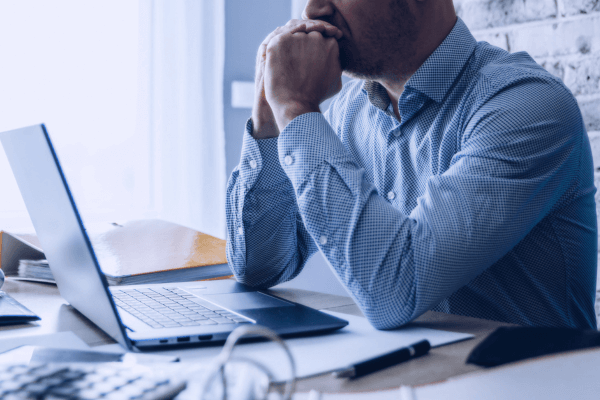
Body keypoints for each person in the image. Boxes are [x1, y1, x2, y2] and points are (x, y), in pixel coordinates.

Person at [225, 0, 597, 329]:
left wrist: (294, 107)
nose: (313, 10)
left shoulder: (526, 107)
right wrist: (269, 118)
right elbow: (261, 267)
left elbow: (397, 289)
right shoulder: (348, 111)